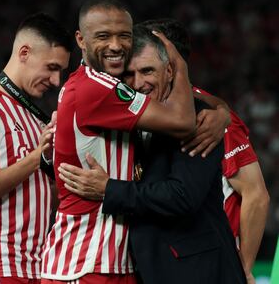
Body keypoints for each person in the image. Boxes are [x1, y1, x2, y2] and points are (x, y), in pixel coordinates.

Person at [59, 25, 247, 283]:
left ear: (169, 71)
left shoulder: (198, 119)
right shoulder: (126, 119)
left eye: (147, 71)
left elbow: (182, 196)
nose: (138, 84)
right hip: (150, 270)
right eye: (128, 74)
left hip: (200, 272)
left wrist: (109, 189)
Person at [41, 0, 196, 284]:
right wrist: (179, 64)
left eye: (124, 36)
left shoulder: (92, 85)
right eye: (103, 36)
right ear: (81, 40)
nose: (115, 45)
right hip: (86, 263)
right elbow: (184, 122)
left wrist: (221, 111)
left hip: (110, 262)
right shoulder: (96, 88)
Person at [141, 18, 269, 283]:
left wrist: (243, 268)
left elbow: (256, 196)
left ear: (170, 64)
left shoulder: (209, 119)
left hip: (211, 263)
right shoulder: (150, 110)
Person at [0, 12, 72, 283]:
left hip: (34, 267)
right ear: (24, 53)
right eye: (52, 67)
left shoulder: (34, 118)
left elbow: (37, 196)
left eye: (61, 71)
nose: (57, 81)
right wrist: (36, 158)